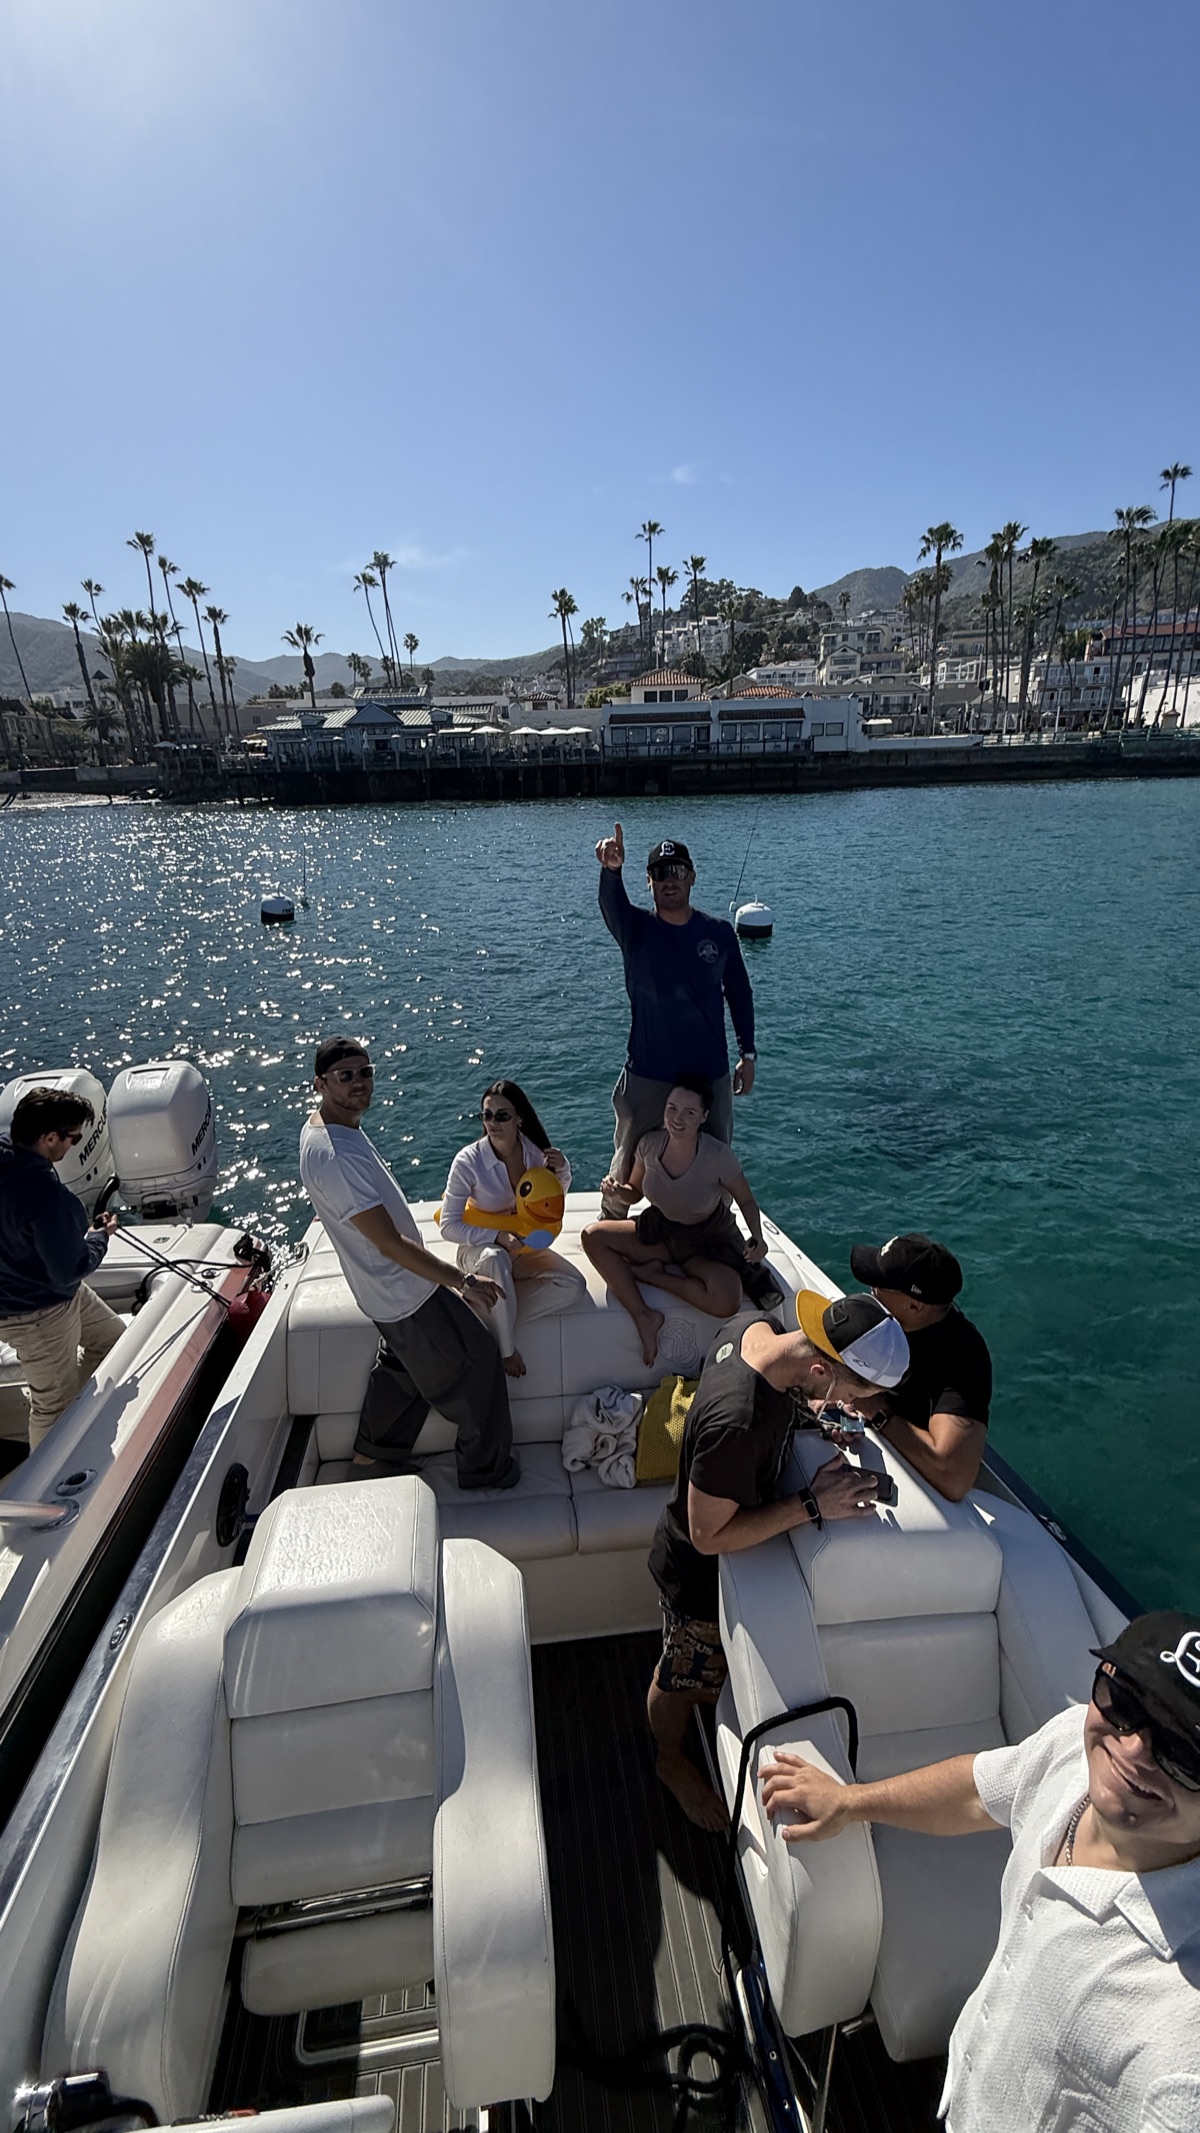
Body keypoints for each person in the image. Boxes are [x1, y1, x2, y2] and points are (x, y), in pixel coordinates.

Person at [760, 1610, 1200, 2132]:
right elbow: (977, 1792)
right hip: (964, 2092)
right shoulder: (1072, 1748)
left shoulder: (1180, 2039)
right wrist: (850, 1801)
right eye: (1124, 1701)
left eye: (1183, 1752)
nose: (1132, 1749)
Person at [647, 1291, 911, 1829]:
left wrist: (817, 1408)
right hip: (694, 1575)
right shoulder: (739, 1422)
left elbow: (784, 1392)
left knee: (699, 1672)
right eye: (860, 1394)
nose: (861, 1407)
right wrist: (813, 1504)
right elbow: (706, 1534)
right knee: (677, 1674)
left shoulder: (752, 1327)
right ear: (821, 1367)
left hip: (703, 1537)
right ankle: (668, 1759)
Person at [298, 1037, 517, 1489]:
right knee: (478, 1360)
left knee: (403, 1366)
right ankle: (484, 1471)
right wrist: (462, 1281)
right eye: (346, 1076)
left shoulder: (329, 1129)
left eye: (365, 1072)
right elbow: (388, 1243)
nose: (359, 1083)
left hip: (384, 1290)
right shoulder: (334, 1154)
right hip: (403, 1290)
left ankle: (370, 1455)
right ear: (320, 1083)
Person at [595, 824, 756, 1216]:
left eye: (679, 871)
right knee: (627, 1154)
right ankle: (611, 1221)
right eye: (661, 873)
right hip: (650, 1069)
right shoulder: (635, 929)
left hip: (709, 1072)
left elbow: (739, 993)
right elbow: (611, 904)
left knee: (716, 1154)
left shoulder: (719, 933)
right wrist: (611, 870)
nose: (671, 880)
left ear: (692, 878)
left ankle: (713, 1226)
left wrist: (747, 1054)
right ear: (648, 883)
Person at [582, 1074, 775, 1367]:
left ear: (704, 1117)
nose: (678, 1118)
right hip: (661, 1232)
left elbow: (747, 1201)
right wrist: (618, 1191)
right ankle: (644, 1316)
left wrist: (758, 1238)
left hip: (707, 1241)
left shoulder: (718, 1156)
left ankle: (652, 1275)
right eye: (672, 1108)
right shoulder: (649, 1145)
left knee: (727, 1301)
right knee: (592, 1236)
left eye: (689, 1112)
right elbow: (634, 1193)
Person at [0, 1088, 123, 1452]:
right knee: (51, 1407)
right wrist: (99, 1237)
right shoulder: (46, 1197)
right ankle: (44, 1492)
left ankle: (75, 1408)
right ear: (49, 1137)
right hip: (37, 1314)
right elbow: (72, 1268)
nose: (74, 1145)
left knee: (114, 1341)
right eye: (74, 1137)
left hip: (46, 1292)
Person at [439, 1079, 586, 1378]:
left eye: (502, 1115)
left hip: (522, 1249)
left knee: (574, 1286)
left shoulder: (535, 1156)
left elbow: (549, 1206)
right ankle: (505, 1350)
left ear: (519, 1118)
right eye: (487, 1115)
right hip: (478, 1252)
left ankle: (489, 1319)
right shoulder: (468, 1162)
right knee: (495, 1258)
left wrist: (563, 1170)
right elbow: (448, 1226)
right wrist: (495, 1236)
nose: (493, 1122)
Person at [847, 1232, 992, 1503]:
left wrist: (875, 1410)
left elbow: (953, 1477)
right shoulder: (877, 1320)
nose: (871, 1290)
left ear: (913, 1304)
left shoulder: (964, 1358)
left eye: (879, 1286)